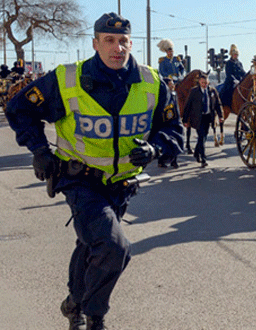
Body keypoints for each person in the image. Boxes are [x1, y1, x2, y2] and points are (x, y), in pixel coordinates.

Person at [5, 12, 183, 330]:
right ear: (95, 44)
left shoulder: (151, 81)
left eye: (123, 41)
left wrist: (156, 148)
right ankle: (95, 316)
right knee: (115, 248)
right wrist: (40, 151)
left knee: (91, 245)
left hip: (122, 183)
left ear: (131, 43)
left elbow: (173, 129)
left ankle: (74, 304)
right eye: (109, 41)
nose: (117, 48)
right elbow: (19, 108)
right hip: (79, 179)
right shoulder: (66, 79)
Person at [182, 71, 223, 167]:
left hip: (208, 117)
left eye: (206, 83)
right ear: (199, 82)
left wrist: (221, 116)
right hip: (197, 118)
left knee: (204, 136)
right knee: (201, 137)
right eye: (202, 83)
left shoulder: (212, 91)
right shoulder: (194, 91)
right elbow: (188, 106)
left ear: (208, 82)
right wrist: (185, 120)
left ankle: (196, 152)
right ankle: (203, 159)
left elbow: (218, 104)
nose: (204, 85)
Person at [158, 77, 183, 168]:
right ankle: (162, 160)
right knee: (169, 143)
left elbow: (177, 108)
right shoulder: (162, 95)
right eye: (171, 84)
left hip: (175, 121)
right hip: (166, 122)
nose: (173, 85)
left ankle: (174, 161)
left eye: (173, 83)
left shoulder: (174, 94)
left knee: (178, 141)